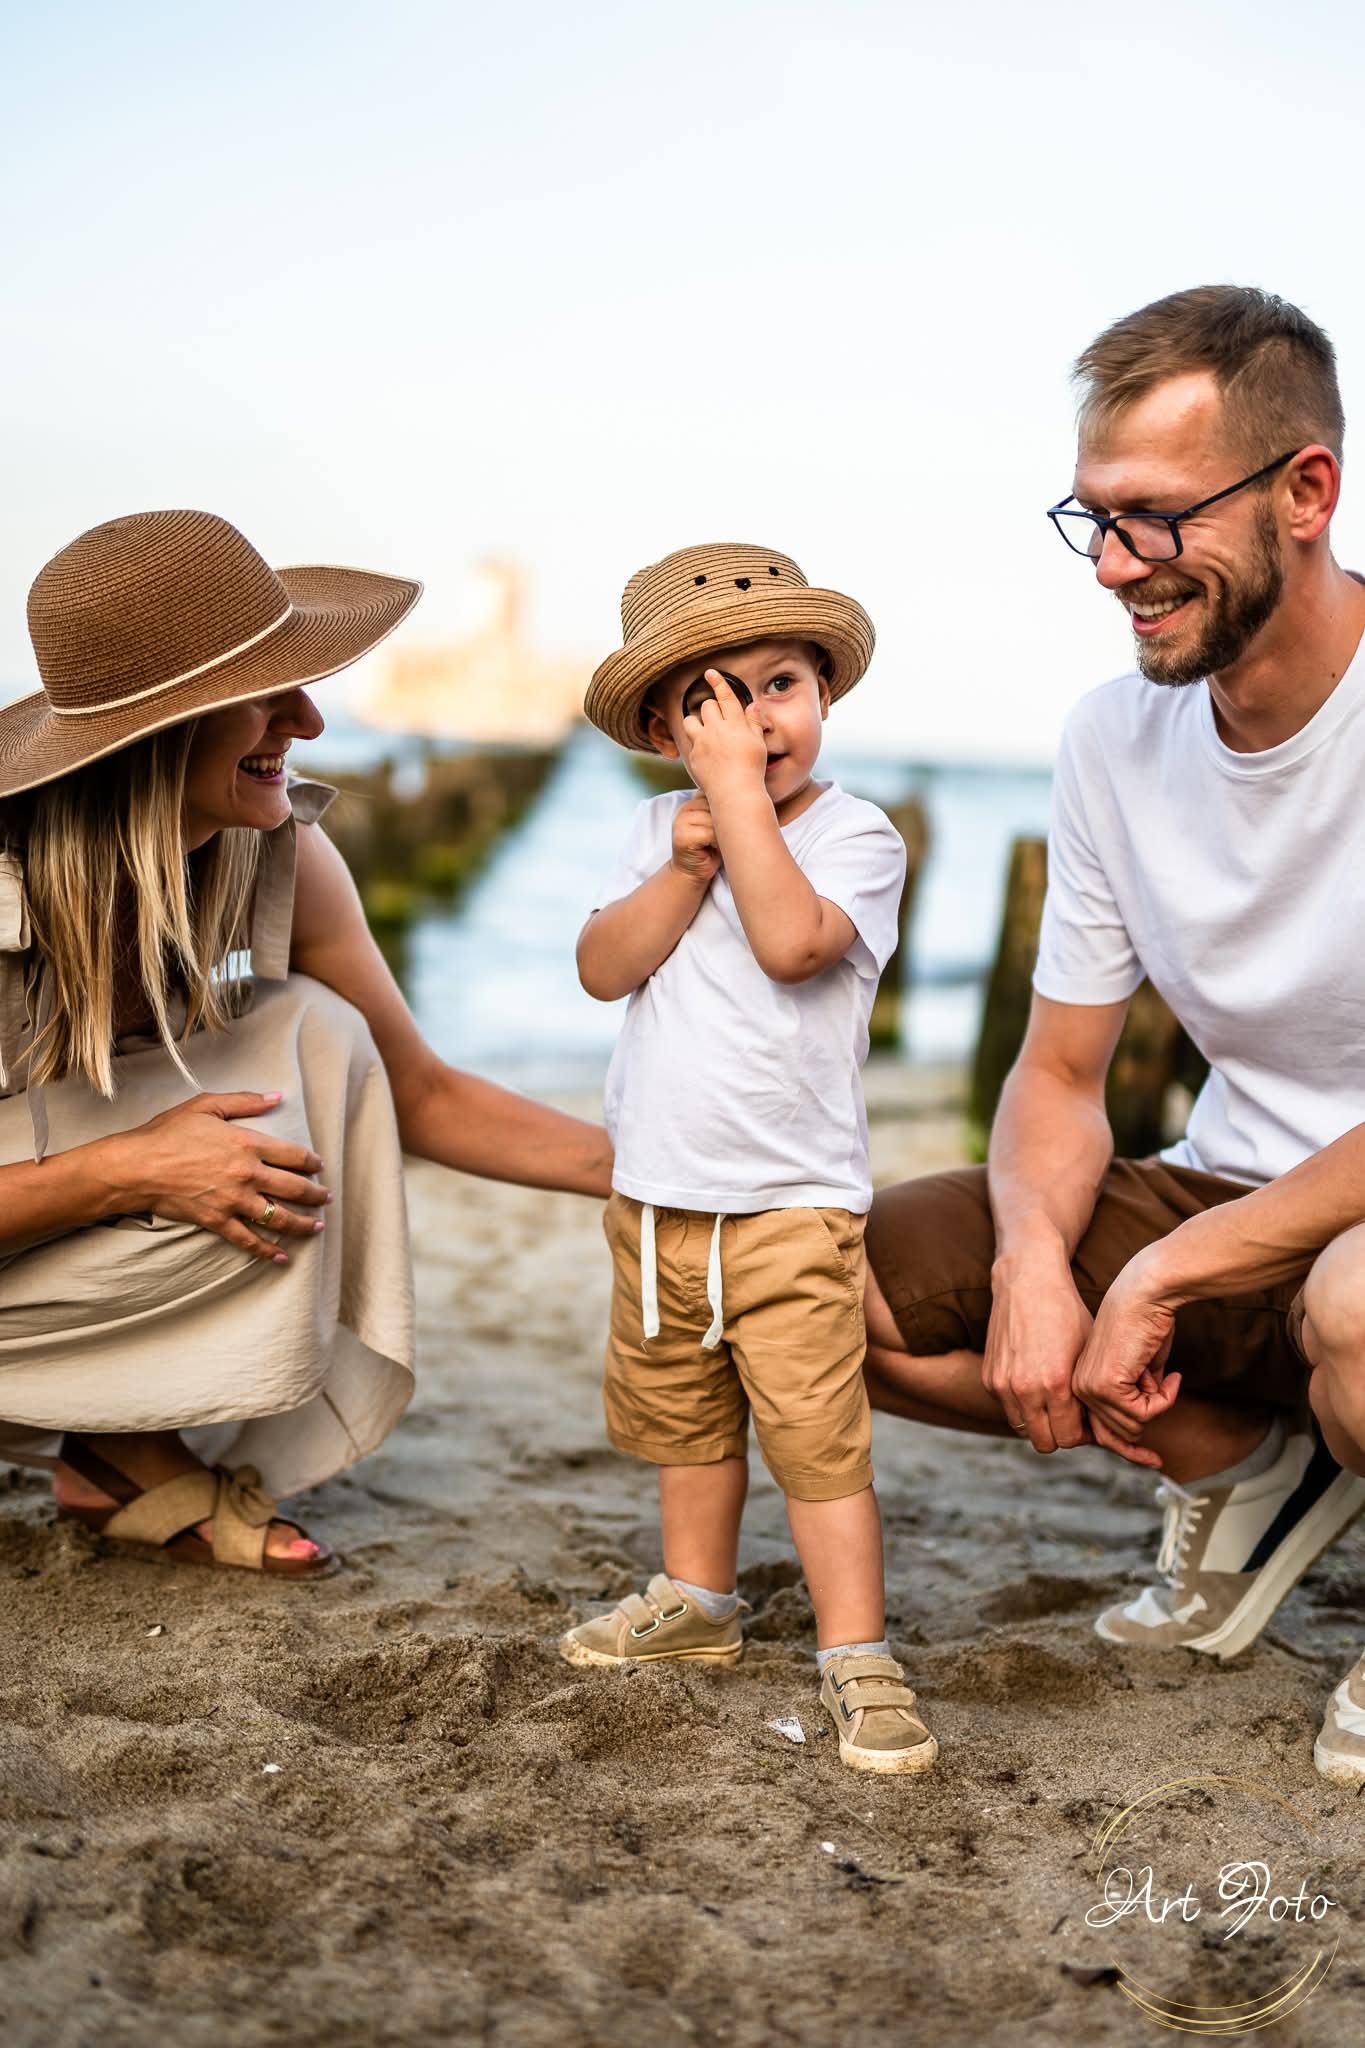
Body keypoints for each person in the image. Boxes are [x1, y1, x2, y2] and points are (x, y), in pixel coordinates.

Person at [861, 285, 1365, 1784]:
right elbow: (1060, 1073)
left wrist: (1165, 1269)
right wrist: (1030, 1264)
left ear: (1305, 493)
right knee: (832, 1290)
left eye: (1154, 519)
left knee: (1354, 1306)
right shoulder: (1110, 739)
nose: (1116, 570)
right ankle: (1253, 1475)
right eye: (1093, 522)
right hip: (1226, 1196)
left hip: (1340, 1247)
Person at [0, 508, 611, 1575]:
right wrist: (128, 1168)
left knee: (319, 1039)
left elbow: (420, 1093)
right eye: (267, 692)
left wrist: (674, 1174)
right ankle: (123, 1442)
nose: (314, 720)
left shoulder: (277, 855)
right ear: (158, 729)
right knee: (232, 1108)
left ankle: (118, 1444)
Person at [557, 541, 935, 1774]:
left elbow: (791, 944)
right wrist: (684, 858)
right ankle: (698, 1597)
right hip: (659, 1201)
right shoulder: (655, 832)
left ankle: (856, 1648)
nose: (754, 719)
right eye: (716, 700)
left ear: (825, 698)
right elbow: (603, 967)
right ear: (669, 728)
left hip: (790, 1208)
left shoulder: (856, 836)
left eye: (780, 684)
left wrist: (736, 811)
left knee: (817, 1434)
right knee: (685, 1418)